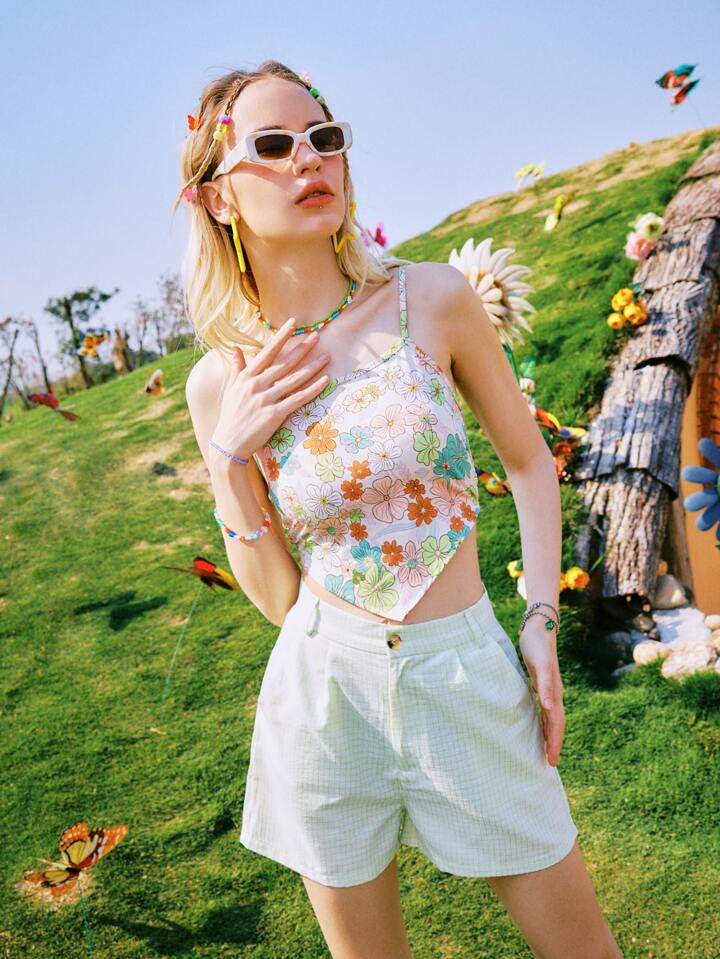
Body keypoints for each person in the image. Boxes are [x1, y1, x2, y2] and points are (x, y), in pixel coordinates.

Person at [177, 60, 623, 959]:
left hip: (464, 670)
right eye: (273, 144)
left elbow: (529, 464)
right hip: (324, 695)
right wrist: (229, 460)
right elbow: (277, 599)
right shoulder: (222, 382)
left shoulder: (432, 300)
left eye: (323, 138)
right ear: (219, 197)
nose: (309, 159)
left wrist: (540, 620)